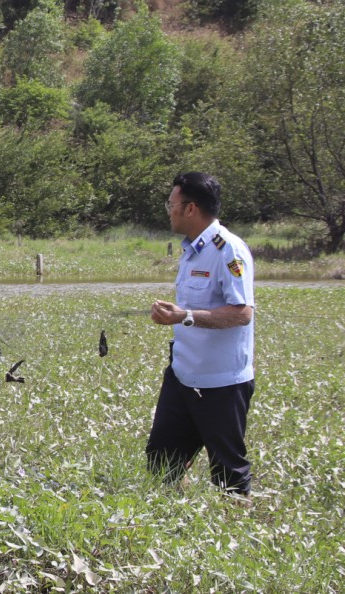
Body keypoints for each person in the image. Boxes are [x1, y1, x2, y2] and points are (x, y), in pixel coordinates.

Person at [147, 172, 255, 499]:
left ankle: (237, 533)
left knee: (228, 472)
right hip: (183, 376)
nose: (169, 210)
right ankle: (177, 518)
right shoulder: (191, 250)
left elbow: (242, 313)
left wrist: (186, 317)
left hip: (221, 384)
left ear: (190, 208)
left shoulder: (228, 250)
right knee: (162, 460)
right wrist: (177, 314)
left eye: (172, 203)